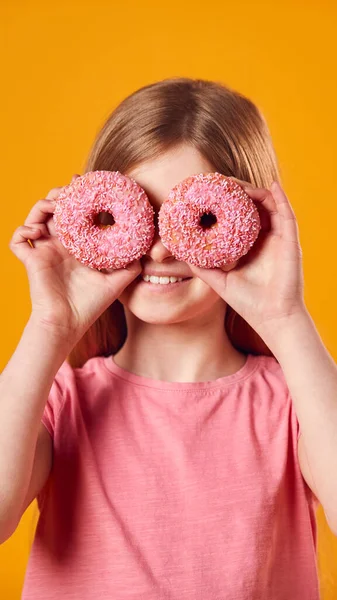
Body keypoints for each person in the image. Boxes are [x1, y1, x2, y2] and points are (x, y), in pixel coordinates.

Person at [1, 77, 336, 600]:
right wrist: (51, 327)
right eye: (136, 215)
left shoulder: (294, 402)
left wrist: (285, 314)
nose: (159, 251)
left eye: (195, 220)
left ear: (254, 226)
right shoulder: (59, 400)